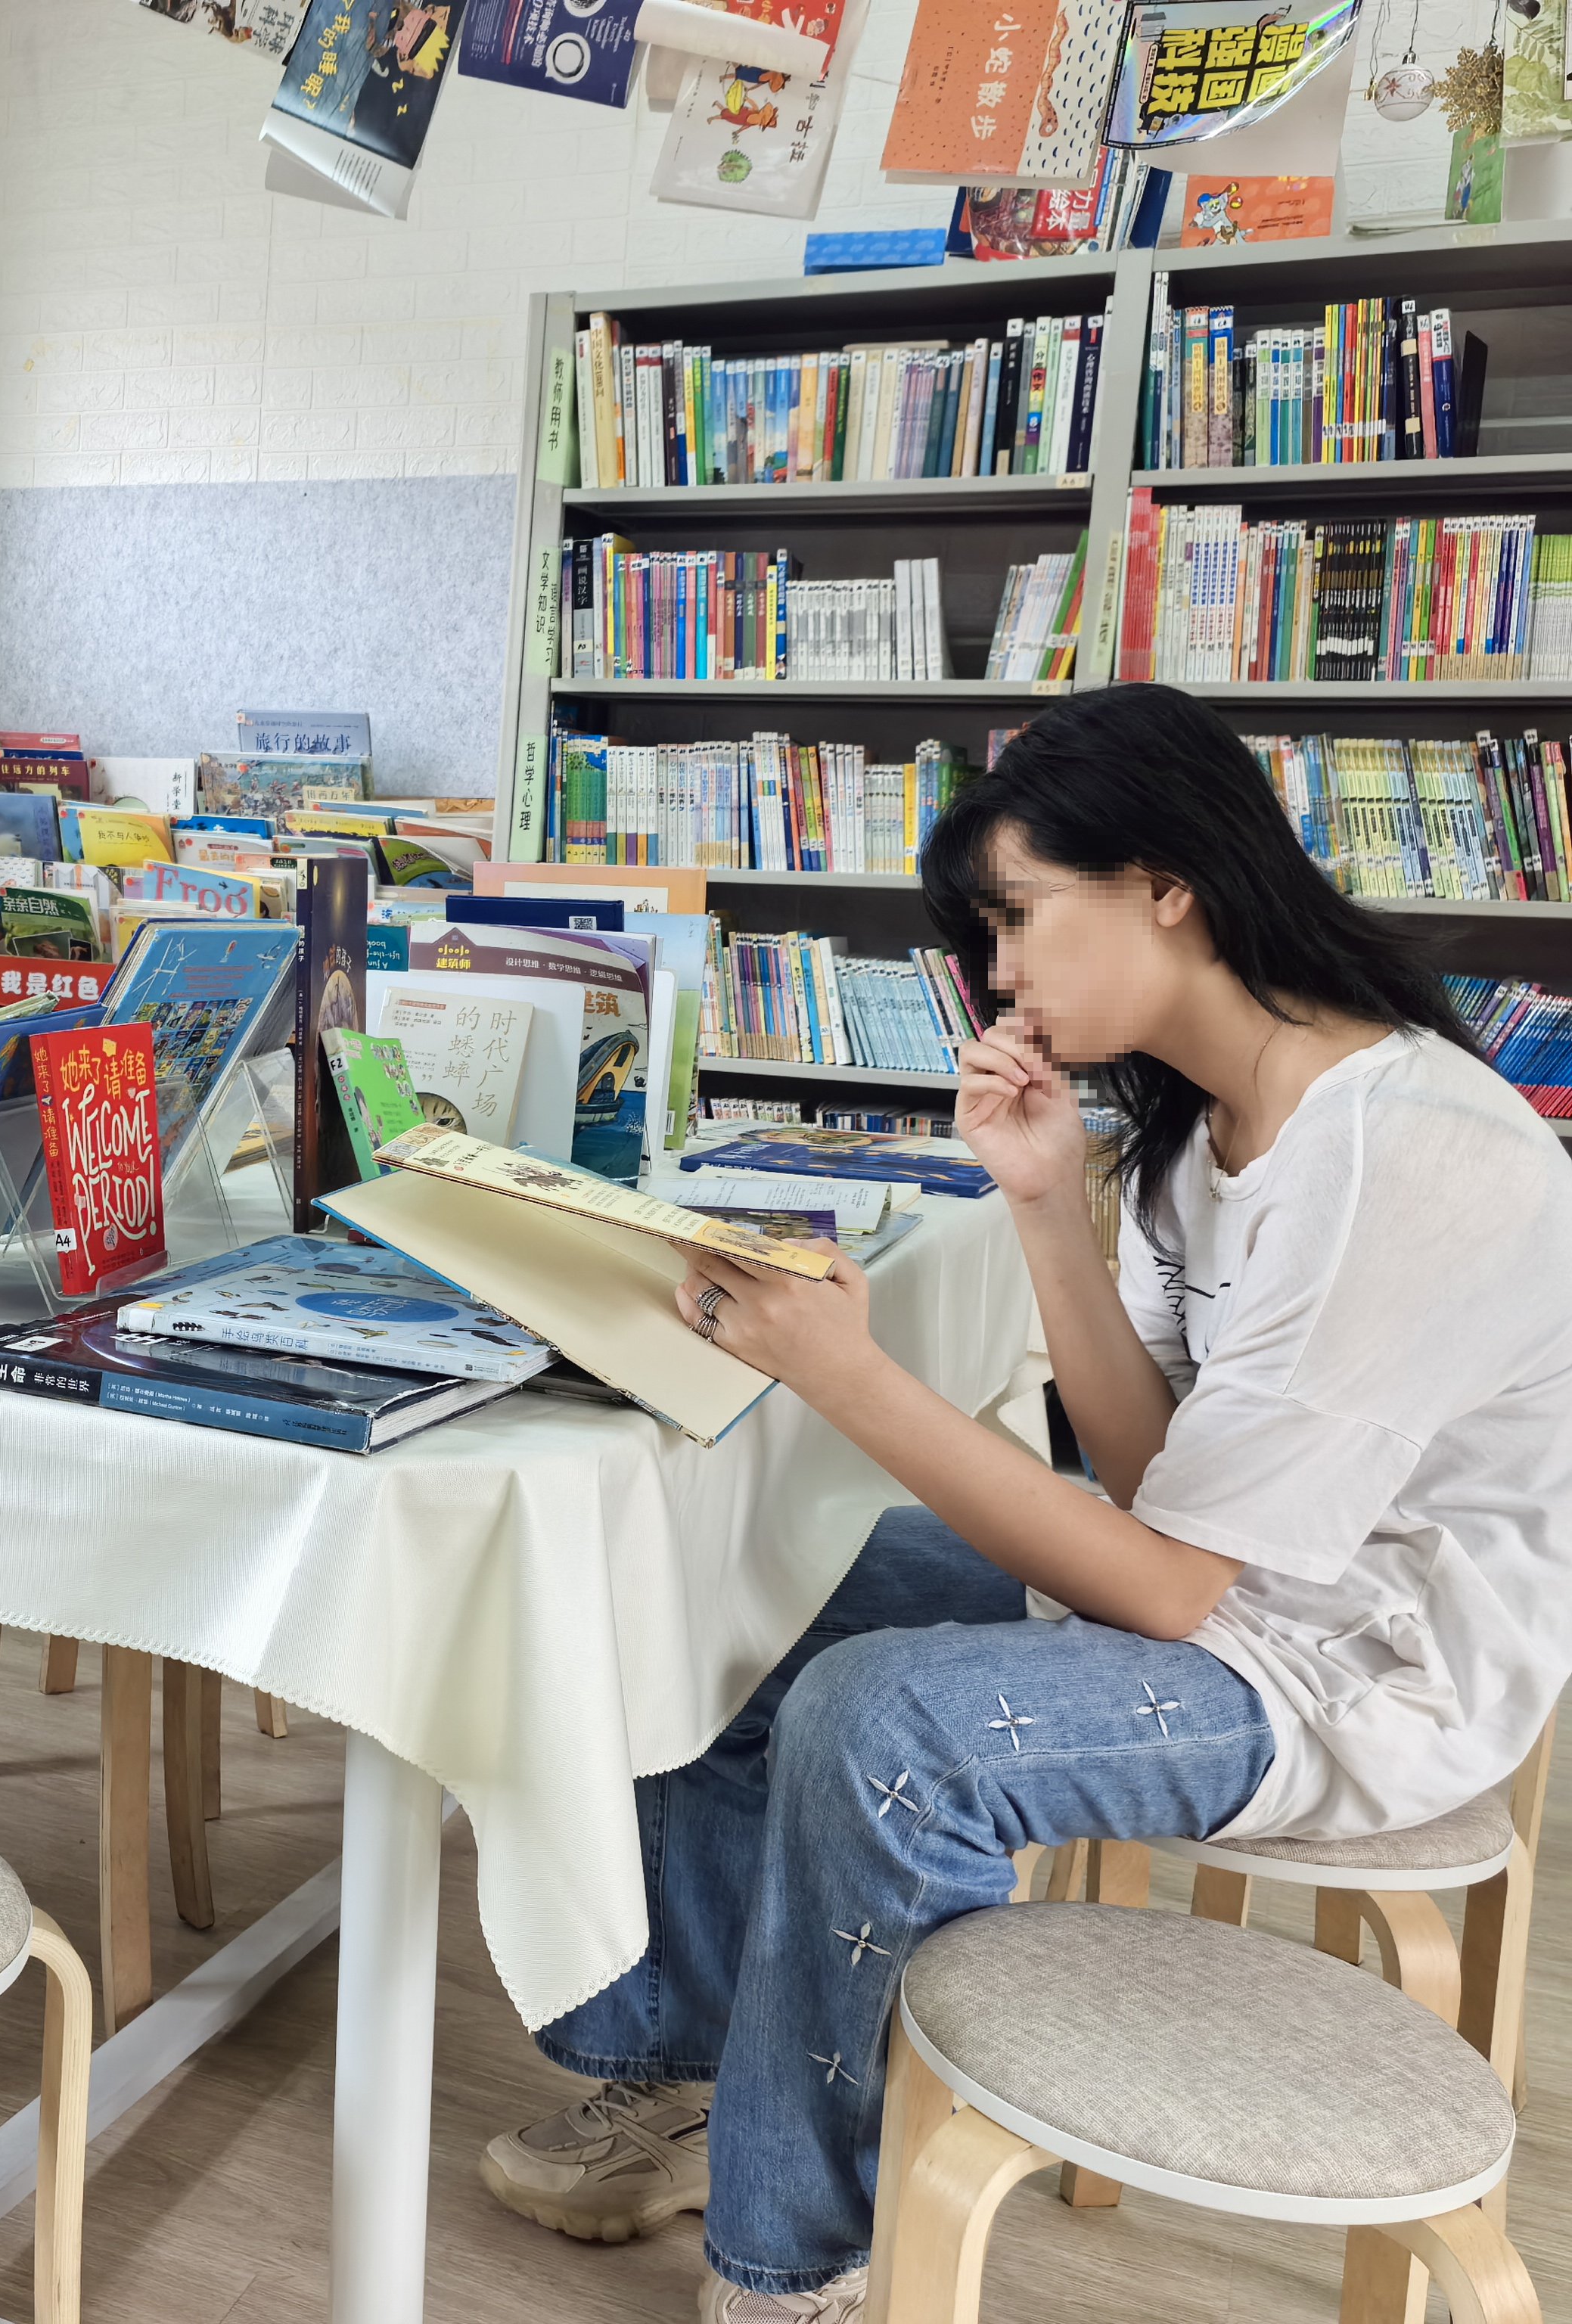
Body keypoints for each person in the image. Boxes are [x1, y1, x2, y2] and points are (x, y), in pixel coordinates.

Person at [476, 683, 1572, 2322]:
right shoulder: (1210, 1122)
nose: (998, 978)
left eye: (1015, 917)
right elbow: (1150, 1484)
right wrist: (1051, 1204)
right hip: (1232, 1600)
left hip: (1357, 1679)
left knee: (878, 1721)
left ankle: (796, 2263)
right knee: (736, 1572)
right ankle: (693, 2075)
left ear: (1166, 883)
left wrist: (843, 1373)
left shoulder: (1398, 1153)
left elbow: (1167, 1584)